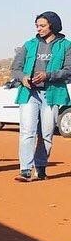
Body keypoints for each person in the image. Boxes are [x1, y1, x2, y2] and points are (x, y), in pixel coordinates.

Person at [11, 11, 71, 182]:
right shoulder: (29, 45)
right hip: (29, 93)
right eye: (37, 26)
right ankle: (25, 170)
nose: (39, 29)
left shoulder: (66, 45)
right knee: (27, 132)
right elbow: (16, 68)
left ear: (53, 25)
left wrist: (48, 75)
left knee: (46, 133)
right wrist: (22, 78)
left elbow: (68, 70)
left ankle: (41, 167)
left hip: (52, 94)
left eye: (43, 25)